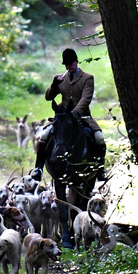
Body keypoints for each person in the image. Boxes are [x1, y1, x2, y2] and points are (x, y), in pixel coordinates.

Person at [32, 48, 107, 182]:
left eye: (71, 64)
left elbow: (86, 99)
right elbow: (48, 97)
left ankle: (100, 169)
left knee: (99, 138)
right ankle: (38, 168)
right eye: (66, 65)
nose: (69, 67)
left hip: (82, 116)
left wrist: (74, 113)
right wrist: (54, 85)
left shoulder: (87, 78)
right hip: (62, 117)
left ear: (76, 62)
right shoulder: (61, 78)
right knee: (43, 136)